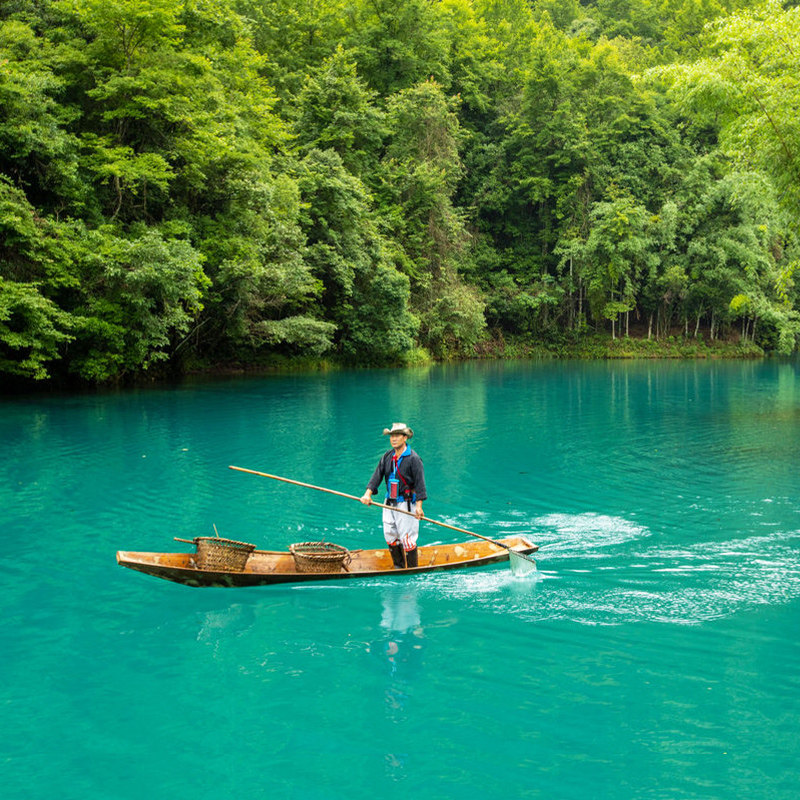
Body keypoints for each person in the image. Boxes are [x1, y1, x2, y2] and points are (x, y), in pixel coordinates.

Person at [360, 422, 426, 569]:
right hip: (389, 502)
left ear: (404, 438)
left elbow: (420, 483)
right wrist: (367, 494)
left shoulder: (414, 459)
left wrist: (419, 506)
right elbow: (377, 476)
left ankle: (412, 569)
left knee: (407, 538)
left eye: (397, 436)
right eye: (392, 436)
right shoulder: (388, 456)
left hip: (406, 503)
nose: (393, 439)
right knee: (390, 534)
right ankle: (399, 567)